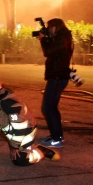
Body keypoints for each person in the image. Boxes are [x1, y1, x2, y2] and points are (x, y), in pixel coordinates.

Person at [37, 18, 74, 148]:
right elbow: (53, 51)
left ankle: (57, 139)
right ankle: (56, 136)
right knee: (52, 107)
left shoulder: (62, 38)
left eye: (49, 27)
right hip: (58, 77)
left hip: (57, 77)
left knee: (48, 108)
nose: (48, 30)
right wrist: (46, 39)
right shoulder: (63, 37)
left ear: (55, 27)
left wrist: (43, 39)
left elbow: (48, 52)